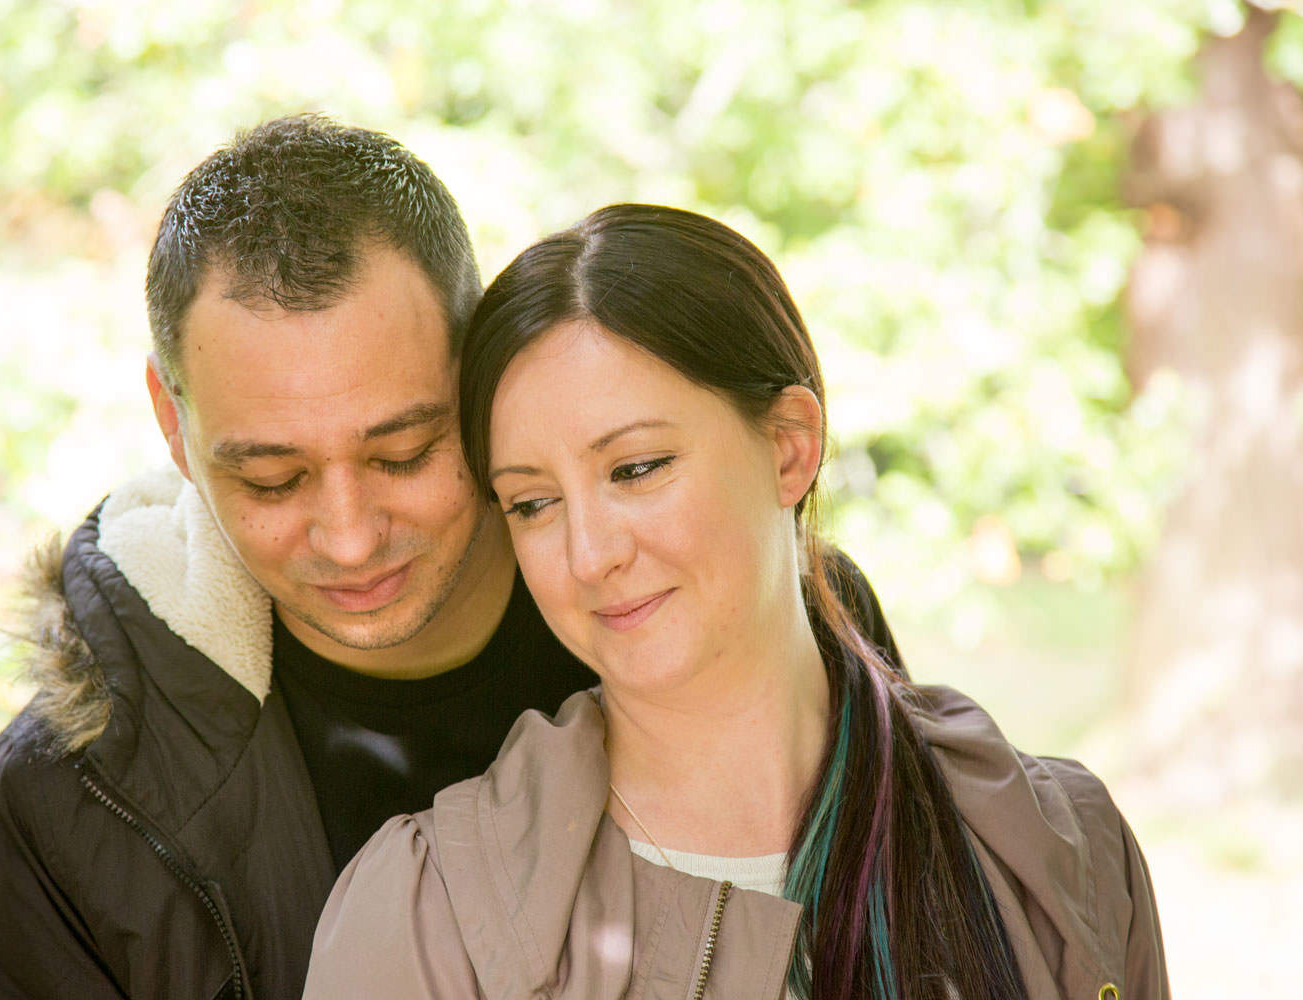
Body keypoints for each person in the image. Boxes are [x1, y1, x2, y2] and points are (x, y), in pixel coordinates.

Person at [0, 121, 902, 999]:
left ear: (477, 372)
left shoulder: (759, 620)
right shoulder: (67, 803)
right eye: (272, 480)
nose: (350, 536)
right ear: (171, 424)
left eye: (403, 454)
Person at [303, 204, 1170, 1000]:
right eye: (533, 504)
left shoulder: (1060, 850)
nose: (590, 555)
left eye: (635, 469)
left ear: (791, 448)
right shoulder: (425, 918)